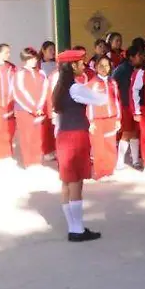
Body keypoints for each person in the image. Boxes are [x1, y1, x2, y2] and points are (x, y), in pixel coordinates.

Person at [51, 48, 107, 242]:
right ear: (72, 66)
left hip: (63, 135)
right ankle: (77, 229)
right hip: (76, 136)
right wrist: (99, 85)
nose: (83, 65)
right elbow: (101, 99)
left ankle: (73, 226)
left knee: (67, 182)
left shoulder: (59, 87)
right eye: (80, 62)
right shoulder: (75, 88)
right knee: (76, 182)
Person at [12, 48, 50, 169]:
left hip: (39, 109)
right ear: (25, 59)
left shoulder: (41, 73)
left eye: (35, 58)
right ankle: (29, 162)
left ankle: (36, 161)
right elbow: (19, 92)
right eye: (31, 58)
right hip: (24, 110)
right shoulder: (19, 74)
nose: (34, 60)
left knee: (38, 136)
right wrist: (33, 108)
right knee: (26, 136)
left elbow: (45, 89)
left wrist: (40, 106)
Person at [86, 56, 122, 180]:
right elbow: (89, 104)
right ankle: (100, 172)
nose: (104, 68)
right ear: (96, 67)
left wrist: (118, 119)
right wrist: (91, 121)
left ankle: (109, 170)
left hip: (111, 119)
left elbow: (117, 101)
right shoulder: (92, 84)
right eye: (101, 65)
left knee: (110, 145)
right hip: (97, 120)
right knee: (99, 147)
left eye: (106, 65)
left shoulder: (113, 83)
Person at [113, 39, 145, 170]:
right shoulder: (122, 69)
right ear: (131, 57)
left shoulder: (140, 69)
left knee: (135, 133)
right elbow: (112, 83)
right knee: (126, 132)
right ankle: (120, 161)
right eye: (139, 55)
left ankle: (136, 160)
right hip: (126, 105)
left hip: (136, 106)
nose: (141, 58)